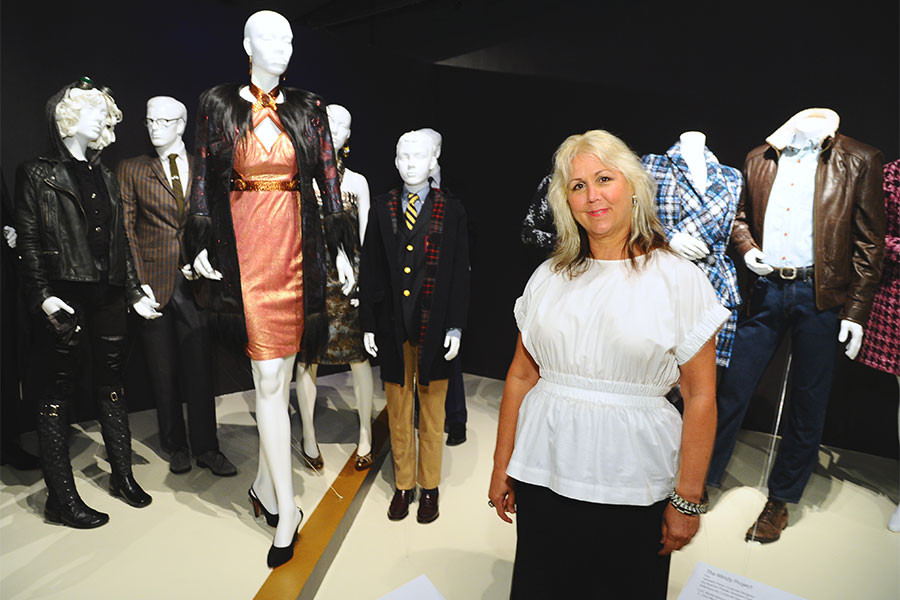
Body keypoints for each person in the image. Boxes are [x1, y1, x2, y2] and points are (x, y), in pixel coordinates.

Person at [489, 129, 726, 598]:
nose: (592, 195)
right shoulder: (548, 277)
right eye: (577, 186)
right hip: (544, 473)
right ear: (565, 200)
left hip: (634, 486)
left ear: (633, 185)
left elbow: (701, 396)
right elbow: (521, 375)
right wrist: (502, 465)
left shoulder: (680, 280)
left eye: (604, 178)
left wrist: (688, 500)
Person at [185, 11, 355, 568]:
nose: (282, 46)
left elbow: (328, 182)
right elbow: (206, 177)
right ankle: (287, 509)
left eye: (288, 37)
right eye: (269, 36)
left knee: (278, 378)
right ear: (245, 43)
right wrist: (201, 242)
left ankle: (266, 489)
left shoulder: (309, 107)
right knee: (267, 375)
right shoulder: (218, 104)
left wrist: (340, 252)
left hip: (295, 246)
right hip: (246, 246)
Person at [706, 109, 885, 544]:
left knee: (809, 400)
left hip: (819, 295)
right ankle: (699, 482)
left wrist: (856, 312)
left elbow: (869, 242)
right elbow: (740, 215)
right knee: (731, 387)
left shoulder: (858, 159)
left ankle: (781, 498)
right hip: (766, 289)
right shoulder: (759, 159)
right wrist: (747, 249)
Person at [15, 78, 162, 528]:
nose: (103, 115)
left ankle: (121, 476)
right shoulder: (37, 173)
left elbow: (122, 241)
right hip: (65, 291)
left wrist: (135, 290)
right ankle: (60, 498)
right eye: (94, 108)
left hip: (109, 291)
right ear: (68, 116)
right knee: (57, 391)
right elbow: (31, 241)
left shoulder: (106, 175)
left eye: (104, 110)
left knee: (113, 383)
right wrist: (42, 296)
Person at [117, 96, 236, 477]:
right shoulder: (133, 169)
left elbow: (219, 222)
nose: (155, 127)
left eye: (164, 121)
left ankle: (207, 447)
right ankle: (175, 444)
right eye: (150, 120)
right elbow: (127, 232)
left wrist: (210, 262)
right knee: (163, 371)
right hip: (154, 282)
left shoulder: (203, 168)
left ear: (182, 125)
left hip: (196, 282)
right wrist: (136, 286)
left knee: (201, 370)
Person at [359, 130, 469, 524]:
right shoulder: (383, 206)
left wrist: (455, 327)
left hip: (434, 327)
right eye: (402, 155)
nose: (409, 163)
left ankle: (430, 487)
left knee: (433, 413)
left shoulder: (450, 209)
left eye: (417, 156)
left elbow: (459, 273)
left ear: (433, 160)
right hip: (392, 328)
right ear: (394, 159)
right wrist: (369, 325)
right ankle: (404, 485)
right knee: (399, 410)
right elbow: (370, 268)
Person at [295, 103, 375, 472]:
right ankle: (308, 437)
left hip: (348, 284)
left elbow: (365, 238)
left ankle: (366, 434)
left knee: (359, 358)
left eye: (343, 126)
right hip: (309, 278)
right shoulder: (302, 180)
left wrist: (364, 282)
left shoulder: (357, 182)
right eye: (329, 124)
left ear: (348, 138)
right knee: (306, 359)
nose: (335, 130)